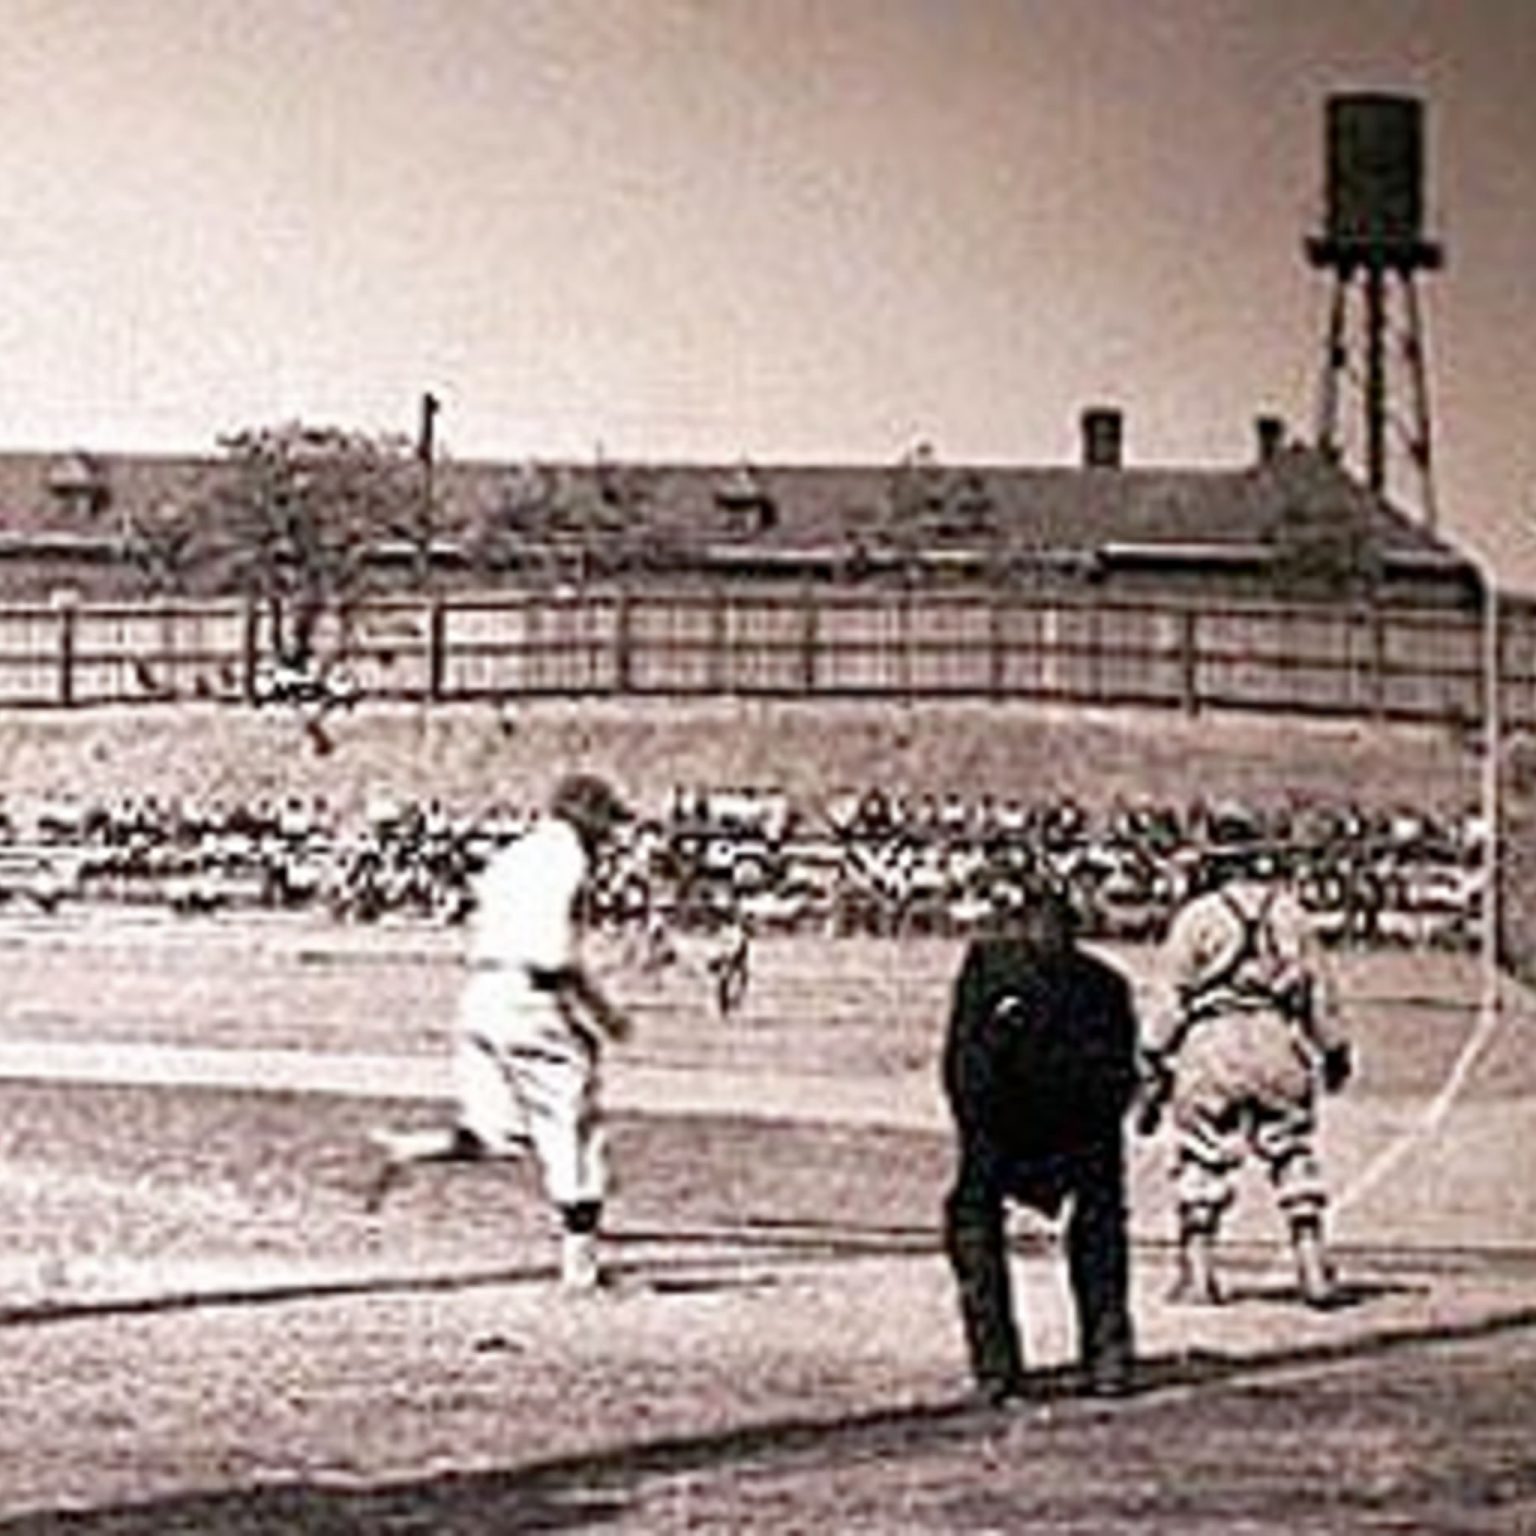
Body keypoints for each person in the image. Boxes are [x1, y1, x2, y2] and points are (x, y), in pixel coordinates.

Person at [367, 772, 636, 1292]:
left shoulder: (511, 855)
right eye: (606, 821)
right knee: (575, 1131)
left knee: (496, 1136)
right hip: (528, 996)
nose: (610, 835)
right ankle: (581, 1270)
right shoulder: (568, 860)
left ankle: (410, 1147)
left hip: (480, 997)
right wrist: (602, 1013)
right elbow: (554, 957)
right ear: (584, 816)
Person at [941, 883, 1141, 1405]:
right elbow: (965, 1067)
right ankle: (1093, 1355)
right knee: (1090, 1218)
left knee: (1091, 1219)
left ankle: (1019, 1364)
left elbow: (963, 1063)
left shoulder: (1000, 970)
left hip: (1051, 1128)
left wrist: (980, 1132)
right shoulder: (1095, 982)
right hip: (1019, 1125)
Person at [1137, 856, 1352, 1308]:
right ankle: (1312, 1267)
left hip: (1212, 1040)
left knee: (1202, 1155)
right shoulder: (1291, 913)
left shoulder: (1196, 916)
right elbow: (1319, 992)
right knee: (1292, 1150)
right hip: (1276, 1037)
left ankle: (1199, 1276)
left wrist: (1153, 1058)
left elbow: (1171, 998)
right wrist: (1333, 1050)